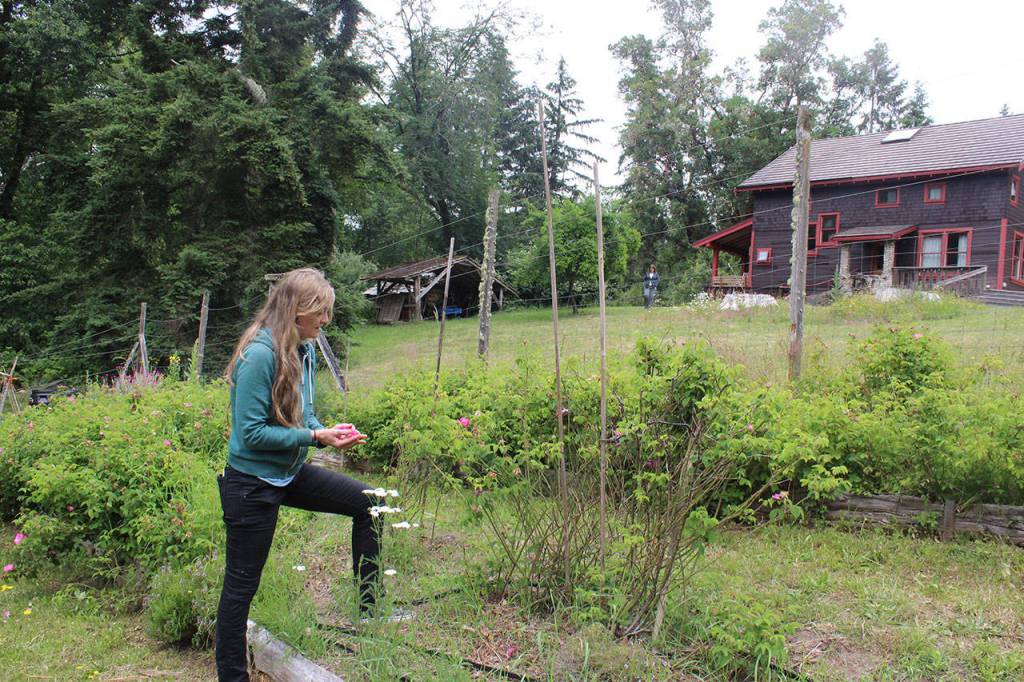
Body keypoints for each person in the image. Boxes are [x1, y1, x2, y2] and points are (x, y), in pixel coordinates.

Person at [215, 268, 377, 682]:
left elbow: (304, 417)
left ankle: (371, 612)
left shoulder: (302, 351)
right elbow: (250, 433)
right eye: (321, 312)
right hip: (251, 486)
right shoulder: (260, 354)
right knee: (240, 590)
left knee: (369, 502)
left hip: (288, 473)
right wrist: (313, 435)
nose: (325, 321)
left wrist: (326, 432)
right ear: (298, 310)